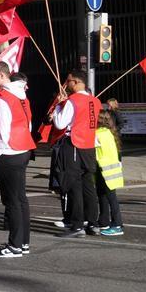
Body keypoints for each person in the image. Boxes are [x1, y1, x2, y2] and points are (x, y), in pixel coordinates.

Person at [0, 66, 34, 259]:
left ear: (2, 75)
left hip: (8, 152)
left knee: (12, 201)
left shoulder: (4, 98)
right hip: (23, 148)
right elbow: (28, 123)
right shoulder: (22, 95)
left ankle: (15, 245)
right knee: (20, 199)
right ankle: (23, 242)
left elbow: (2, 130)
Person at [52, 71, 102, 238]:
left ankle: (77, 225)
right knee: (89, 186)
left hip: (74, 144)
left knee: (74, 186)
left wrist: (58, 106)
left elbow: (60, 123)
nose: (67, 84)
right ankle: (93, 223)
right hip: (89, 145)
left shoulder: (73, 100)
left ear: (76, 82)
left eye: (68, 81)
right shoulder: (95, 101)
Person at [94, 109, 125, 236]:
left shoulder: (98, 134)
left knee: (111, 198)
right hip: (109, 169)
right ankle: (104, 221)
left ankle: (117, 224)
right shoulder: (108, 132)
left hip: (105, 170)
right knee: (103, 195)